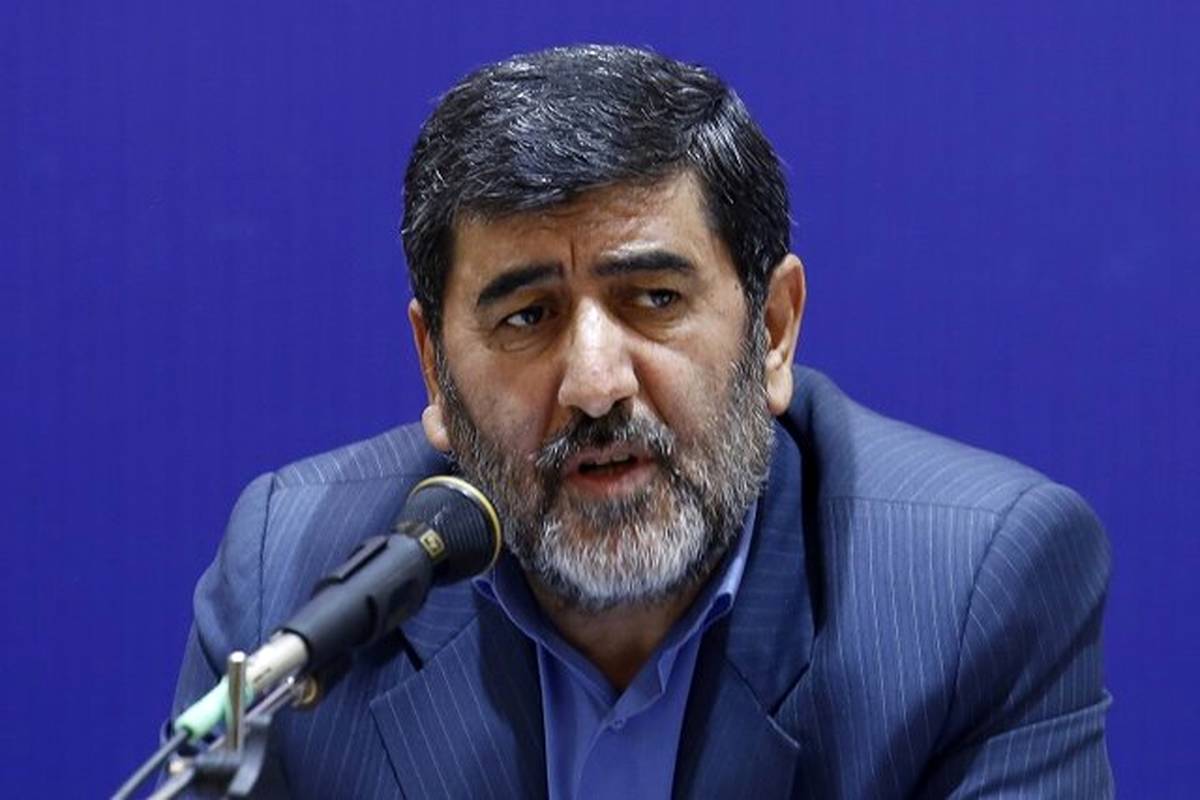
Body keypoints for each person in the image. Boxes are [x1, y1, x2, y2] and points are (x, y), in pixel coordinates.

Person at [169, 45, 1113, 798]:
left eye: (654, 299)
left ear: (773, 331)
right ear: (435, 369)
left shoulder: (967, 591)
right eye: (527, 316)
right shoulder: (294, 584)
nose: (594, 384)